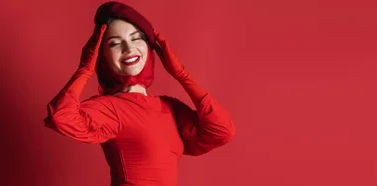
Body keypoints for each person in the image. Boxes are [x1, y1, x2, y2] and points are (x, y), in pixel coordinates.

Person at [44, 2, 235, 186]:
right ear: (100, 56)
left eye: (136, 39)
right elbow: (61, 117)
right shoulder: (110, 107)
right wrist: (85, 69)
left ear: (149, 47)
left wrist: (182, 75)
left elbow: (221, 131)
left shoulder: (169, 107)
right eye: (115, 44)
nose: (129, 49)